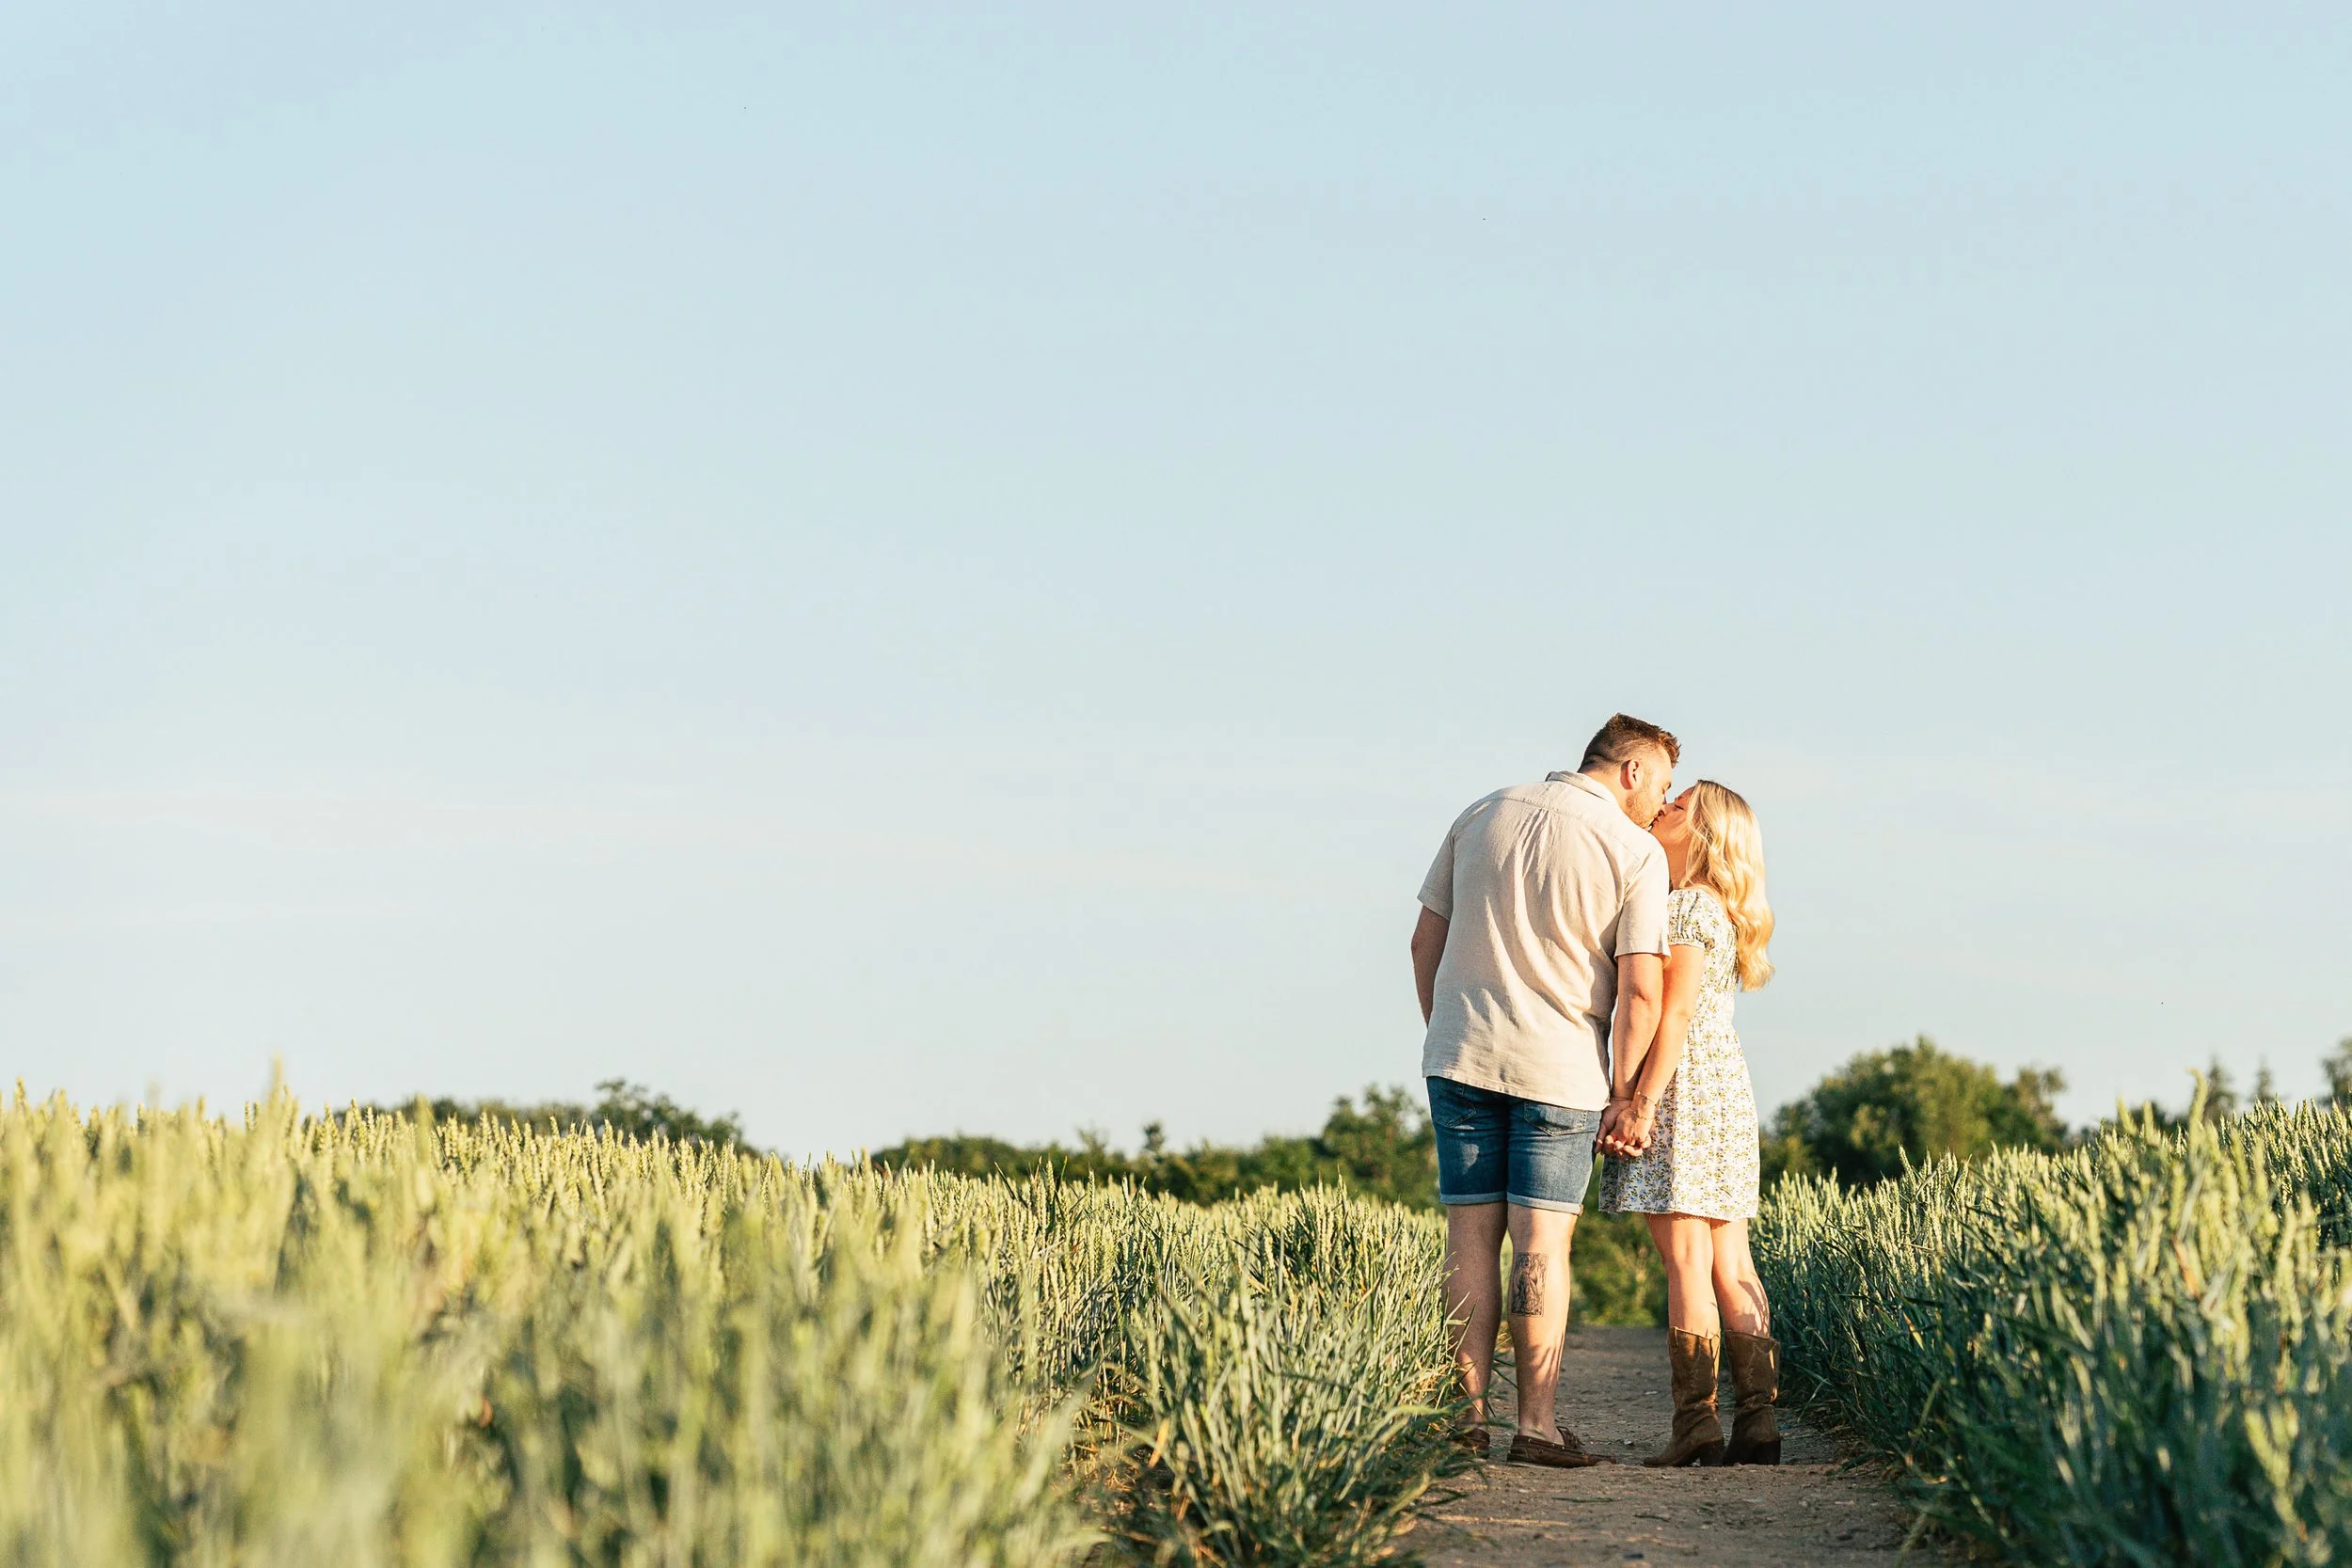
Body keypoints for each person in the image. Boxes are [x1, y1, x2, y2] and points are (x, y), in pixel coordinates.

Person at [1411, 713, 1677, 1466]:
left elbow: (1423, 941)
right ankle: (1536, 1426)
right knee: (1541, 1245)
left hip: (1460, 1055)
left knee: (1468, 1237)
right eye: (1659, 782)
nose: (1662, 801)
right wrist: (1628, 1093)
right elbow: (1644, 994)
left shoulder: (1482, 811)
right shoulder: (1634, 850)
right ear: (1630, 769)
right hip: (1558, 1070)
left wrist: (1448, 1029)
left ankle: (1464, 1420)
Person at [1597, 781, 1780, 1466]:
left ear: (1702, 834)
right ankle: (1757, 1419)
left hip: (1680, 1090)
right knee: (1732, 1262)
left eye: (1678, 808)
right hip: (1725, 1092)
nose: (1663, 809)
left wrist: (1637, 1099)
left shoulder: (1683, 907)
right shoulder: (1721, 910)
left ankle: (1696, 1420)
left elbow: (1669, 1014)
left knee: (1686, 1263)